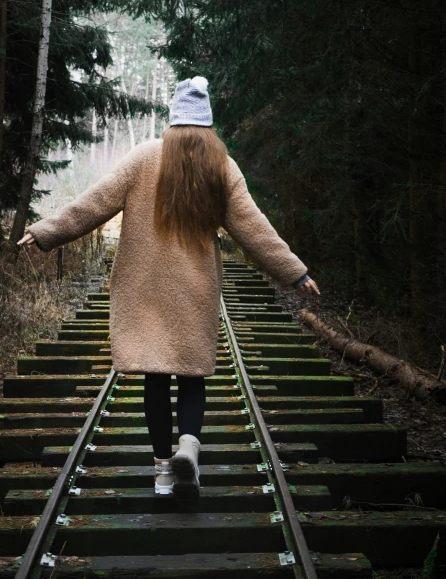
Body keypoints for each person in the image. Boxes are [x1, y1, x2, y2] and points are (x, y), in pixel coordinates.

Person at [18, 76, 320, 503]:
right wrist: (295, 271)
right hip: (195, 289)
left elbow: (95, 201)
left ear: (174, 119)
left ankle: (163, 472)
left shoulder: (143, 157)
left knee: (155, 379)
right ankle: (190, 447)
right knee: (193, 376)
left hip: (145, 287)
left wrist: (47, 230)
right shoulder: (222, 166)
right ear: (207, 123)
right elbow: (254, 228)